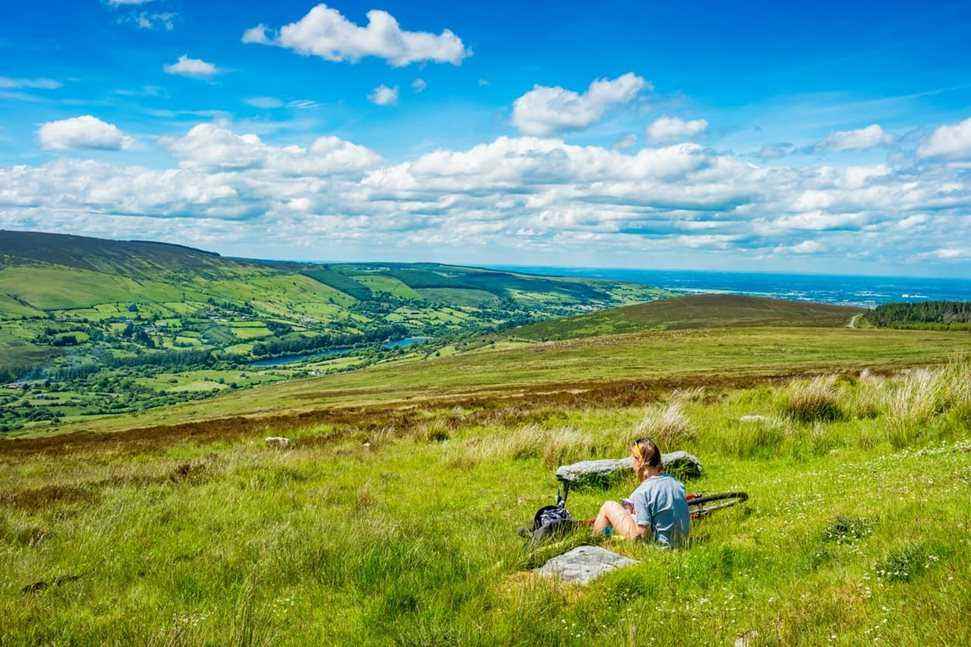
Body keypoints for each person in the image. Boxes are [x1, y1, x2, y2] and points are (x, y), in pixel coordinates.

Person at [592, 437, 690, 547]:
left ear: (639, 461)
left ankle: (597, 544)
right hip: (681, 543)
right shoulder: (677, 484)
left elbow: (642, 534)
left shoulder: (642, 492)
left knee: (608, 506)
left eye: (633, 459)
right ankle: (606, 540)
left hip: (658, 548)